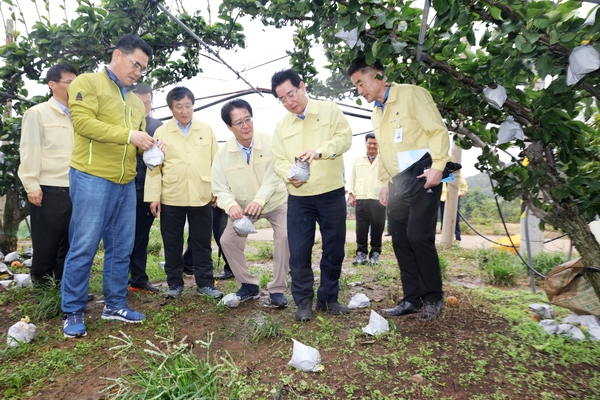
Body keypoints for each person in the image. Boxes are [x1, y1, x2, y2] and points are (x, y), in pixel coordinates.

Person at [62, 34, 158, 338]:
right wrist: (130, 136)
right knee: (84, 244)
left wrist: (152, 150)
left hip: (125, 181)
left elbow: (139, 138)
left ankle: (115, 304)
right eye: (135, 64)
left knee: (121, 246)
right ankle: (73, 309)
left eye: (143, 69)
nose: (138, 72)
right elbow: (84, 124)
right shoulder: (87, 83)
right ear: (118, 54)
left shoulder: (134, 101)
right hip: (92, 176)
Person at [347, 59, 450, 322]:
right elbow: (385, 152)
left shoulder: (412, 95)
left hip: (422, 177)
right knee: (401, 240)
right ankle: (412, 299)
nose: (359, 90)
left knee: (418, 237)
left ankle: (433, 297)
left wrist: (438, 166)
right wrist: (384, 184)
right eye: (355, 86)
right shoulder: (376, 113)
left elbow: (437, 130)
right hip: (396, 184)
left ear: (379, 75)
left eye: (361, 82)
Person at [270, 69, 352, 321]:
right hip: (300, 198)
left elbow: (345, 138)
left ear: (302, 86)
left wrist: (320, 151)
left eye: (291, 94)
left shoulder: (329, 110)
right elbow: (278, 159)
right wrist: (288, 174)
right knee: (299, 250)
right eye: (282, 99)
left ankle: (328, 299)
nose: (288, 102)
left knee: (334, 249)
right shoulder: (282, 126)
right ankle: (304, 301)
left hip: (331, 193)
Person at [145, 86, 222, 300]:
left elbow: (216, 162)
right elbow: (154, 166)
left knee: (202, 241)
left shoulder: (206, 130)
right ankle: (174, 284)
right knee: (172, 241)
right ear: (171, 108)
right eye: (179, 106)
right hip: (172, 194)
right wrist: (154, 196)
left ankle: (205, 283)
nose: (184, 110)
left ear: (193, 106)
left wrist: (217, 190)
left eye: (188, 105)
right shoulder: (162, 132)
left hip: (201, 193)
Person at [212, 99, 290, 308]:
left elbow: (275, 175)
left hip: (275, 201)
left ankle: (277, 289)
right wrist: (230, 205)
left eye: (248, 119)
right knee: (227, 241)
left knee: (284, 236)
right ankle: (248, 285)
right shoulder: (222, 154)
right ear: (229, 127)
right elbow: (219, 187)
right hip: (244, 208)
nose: (245, 126)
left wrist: (260, 199)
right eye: (238, 122)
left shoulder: (270, 142)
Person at [18, 63, 78, 287]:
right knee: (47, 241)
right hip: (49, 187)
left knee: (70, 243)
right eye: (69, 82)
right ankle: (44, 288)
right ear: (52, 84)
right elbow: (30, 149)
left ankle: (66, 289)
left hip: (77, 186)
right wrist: (31, 184)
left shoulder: (80, 114)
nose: (74, 87)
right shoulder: (38, 113)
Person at [127, 83, 163, 293]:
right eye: (140, 103)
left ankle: (138, 278)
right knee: (120, 236)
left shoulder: (157, 126)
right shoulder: (122, 124)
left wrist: (154, 195)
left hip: (144, 189)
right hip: (121, 188)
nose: (144, 107)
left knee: (141, 236)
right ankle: (118, 278)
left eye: (148, 103)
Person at [348, 133, 386, 266]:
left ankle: (375, 253)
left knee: (378, 226)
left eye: (375, 143)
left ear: (378, 145)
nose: (372, 146)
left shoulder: (384, 160)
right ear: (365, 144)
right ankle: (361, 253)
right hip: (362, 197)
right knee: (361, 228)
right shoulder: (358, 159)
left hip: (378, 199)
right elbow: (352, 177)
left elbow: (389, 179)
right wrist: (351, 194)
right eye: (369, 143)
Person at [439, 175, 468, 244]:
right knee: (444, 219)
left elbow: (464, 185)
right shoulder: (441, 171)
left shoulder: (456, 172)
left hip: (454, 197)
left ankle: (457, 238)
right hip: (442, 198)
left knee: (455, 218)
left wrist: (463, 192)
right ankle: (444, 239)